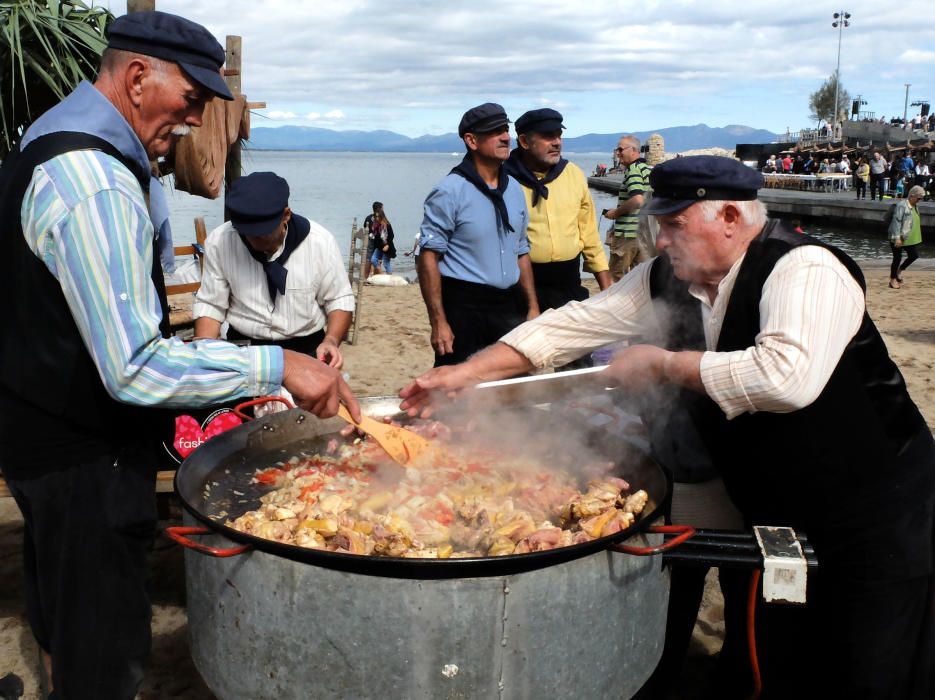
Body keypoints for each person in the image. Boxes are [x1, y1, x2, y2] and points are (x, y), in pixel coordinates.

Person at [400, 156, 935, 700]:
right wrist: (466, 372)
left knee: (871, 662)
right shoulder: (668, 276)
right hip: (778, 501)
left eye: (675, 224)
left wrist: (662, 364)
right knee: (787, 653)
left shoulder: (805, 267)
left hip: (877, 502)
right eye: (659, 224)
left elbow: (785, 378)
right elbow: (570, 325)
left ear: (729, 215)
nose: (661, 240)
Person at [0, 12, 359, 699]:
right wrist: (277, 365)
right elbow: (133, 367)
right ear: (137, 77)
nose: (193, 121)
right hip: (84, 454)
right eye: (190, 100)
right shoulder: (98, 182)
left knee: (62, 614)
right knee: (103, 644)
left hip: (36, 432)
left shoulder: (47, 138)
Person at [416, 102, 537, 367]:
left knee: (510, 388)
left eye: (506, 129)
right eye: (496, 131)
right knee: (458, 392)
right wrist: (438, 322)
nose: (506, 137)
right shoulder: (450, 191)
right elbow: (427, 257)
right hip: (465, 308)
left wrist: (532, 307)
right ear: (471, 140)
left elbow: (521, 250)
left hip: (510, 305)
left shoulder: (515, 189)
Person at [193, 171, 355, 365]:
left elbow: (339, 300)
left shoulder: (321, 242)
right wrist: (204, 353)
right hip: (245, 350)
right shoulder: (220, 241)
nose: (253, 241)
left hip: (307, 349)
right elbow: (211, 305)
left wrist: (331, 340)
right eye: (246, 233)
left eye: (262, 234)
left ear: (285, 215)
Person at [504, 108, 611, 318]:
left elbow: (589, 235)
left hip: (568, 283)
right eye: (547, 136)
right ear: (524, 142)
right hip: (519, 287)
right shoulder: (504, 180)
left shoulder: (573, 174)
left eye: (558, 135)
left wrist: (607, 287)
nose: (557, 142)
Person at [603, 135, 652, 281]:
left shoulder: (633, 170)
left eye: (620, 149)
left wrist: (615, 213)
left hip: (627, 235)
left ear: (634, 150)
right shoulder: (647, 170)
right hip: (645, 234)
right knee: (641, 281)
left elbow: (637, 200)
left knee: (616, 279)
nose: (617, 153)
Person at [888, 185, 926, 289]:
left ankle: (899, 270)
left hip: (908, 237)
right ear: (912, 196)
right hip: (898, 237)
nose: (920, 200)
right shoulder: (902, 205)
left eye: (921, 198)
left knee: (913, 256)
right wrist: (897, 238)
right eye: (919, 198)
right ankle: (892, 280)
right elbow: (896, 222)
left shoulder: (914, 205)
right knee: (897, 258)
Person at [367, 204, 397, 275]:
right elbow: (374, 235)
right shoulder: (375, 225)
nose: (376, 218)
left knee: (386, 263)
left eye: (378, 216)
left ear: (381, 216)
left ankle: (390, 277)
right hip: (379, 247)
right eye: (375, 216)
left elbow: (391, 236)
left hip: (387, 247)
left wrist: (387, 245)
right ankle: (381, 274)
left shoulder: (387, 225)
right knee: (373, 260)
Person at [362, 201, 384, 278]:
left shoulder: (368, 218)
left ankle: (365, 277)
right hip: (378, 241)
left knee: (368, 259)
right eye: (382, 208)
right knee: (377, 259)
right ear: (379, 209)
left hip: (370, 239)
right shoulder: (381, 218)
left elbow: (365, 228)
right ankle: (376, 277)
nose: (383, 210)